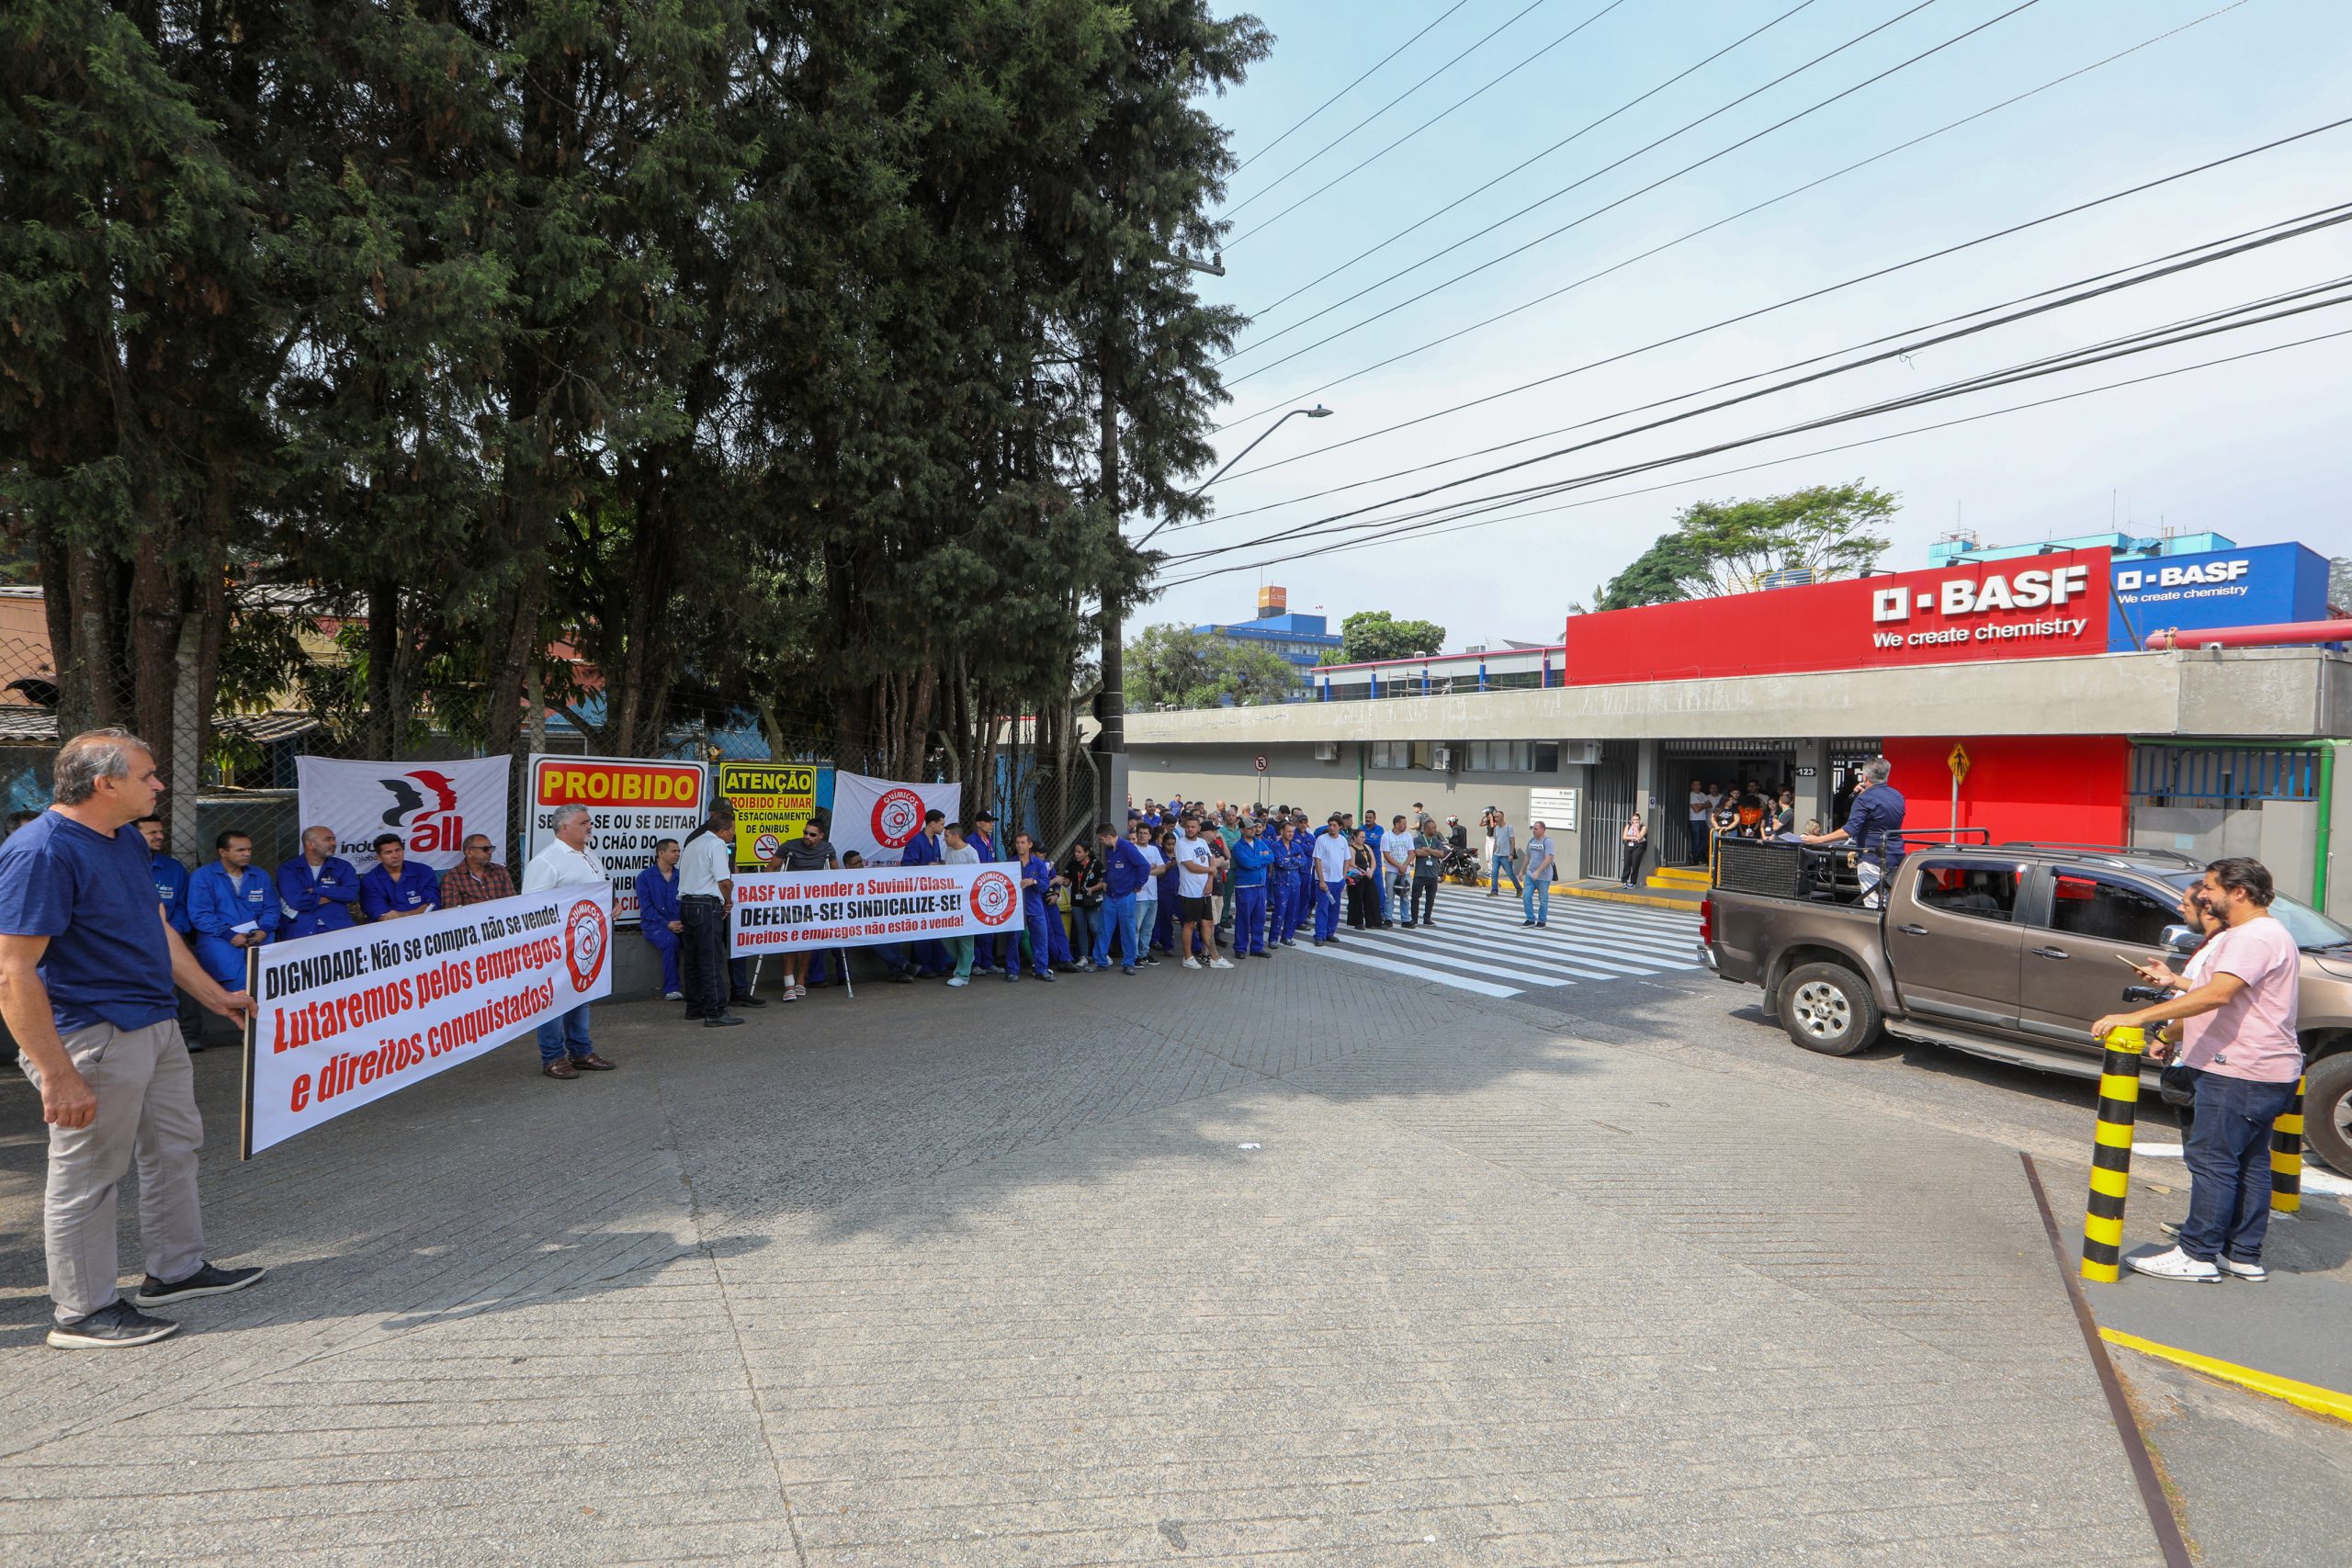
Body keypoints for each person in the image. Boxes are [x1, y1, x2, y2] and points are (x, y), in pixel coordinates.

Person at [0, 728, 262, 1348]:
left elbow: (156, 927)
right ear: (105, 782)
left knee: (175, 1147)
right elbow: (13, 972)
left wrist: (210, 993)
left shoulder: (121, 841)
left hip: (154, 1023)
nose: (160, 785)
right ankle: (83, 1310)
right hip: (94, 1033)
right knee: (89, 1170)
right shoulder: (41, 851)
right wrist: (58, 1072)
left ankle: (175, 1271)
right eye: (148, 775)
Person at [2096, 859, 2305, 1285]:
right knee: (2247, 1163)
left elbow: (2219, 994)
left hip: (2239, 1069)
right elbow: (2222, 987)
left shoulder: (2253, 936)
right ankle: (2241, 1253)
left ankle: (2197, 1253)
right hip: (2262, 1069)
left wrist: (2139, 1018)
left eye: (2210, 887)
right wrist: (2173, 981)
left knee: (2213, 1162)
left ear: (2240, 892)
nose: (2202, 896)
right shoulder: (2264, 935)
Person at [521, 805, 618, 1077]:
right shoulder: (547, 861)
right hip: (556, 944)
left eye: (589, 821)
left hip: (585, 940)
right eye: (584, 822)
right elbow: (533, 907)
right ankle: (553, 1057)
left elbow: (596, 892)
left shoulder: (589, 854)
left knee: (581, 994)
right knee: (554, 999)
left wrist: (611, 905)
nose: (590, 826)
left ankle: (581, 1051)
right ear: (564, 827)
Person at [1801, 756, 1905, 907]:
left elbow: (1849, 830)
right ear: (1886, 774)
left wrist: (1817, 840)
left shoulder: (1864, 799)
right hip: (1896, 855)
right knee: (1891, 902)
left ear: (1865, 777)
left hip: (1872, 858)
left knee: (1873, 904)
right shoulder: (1898, 796)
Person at [137, 816, 204, 1048]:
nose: (160, 836)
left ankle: (189, 1034)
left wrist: (173, 930)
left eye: (160, 831)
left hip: (171, 935)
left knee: (188, 972)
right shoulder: (120, 866)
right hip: (133, 939)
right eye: (151, 832)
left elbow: (186, 907)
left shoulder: (173, 869)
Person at [677, 805, 745, 1028]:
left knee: (693, 959)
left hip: (687, 904)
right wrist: (728, 901)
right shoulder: (717, 844)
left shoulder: (693, 843)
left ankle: (694, 1007)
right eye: (732, 829)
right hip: (706, 905)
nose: (733, 833)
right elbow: (724, 881)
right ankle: (715, 1011)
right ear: (723, 830)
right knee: (712, 959)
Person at [187, 829, 278, 992]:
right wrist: (229, 935)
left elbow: (271, 908)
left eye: (249, 849)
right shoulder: (203, 876)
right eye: (240, 850)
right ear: (223, 852)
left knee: (267, 987)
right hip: (221, 939)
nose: (247, 854)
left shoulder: (260, 875)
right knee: (238, 988)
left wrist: (264, 930)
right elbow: (200, 914)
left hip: (258, 938)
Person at [773, 818, 839, 1001]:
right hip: (791, 899)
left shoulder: (827, 848)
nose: (807, 837)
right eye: (805, 833)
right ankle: (789, 984)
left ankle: (801, 979)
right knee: (789, 940)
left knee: (805, 940)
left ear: (821, 836)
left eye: (812, 834)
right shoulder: (790, 847)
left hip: (813, 901)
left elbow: (836, 875)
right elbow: (771, 868)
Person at [276, 825, 359, 941]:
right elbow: (297, 901)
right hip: (301, 930)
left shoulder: (343, 867)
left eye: (334, 839)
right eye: (327, 839)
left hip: (337, 927)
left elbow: (351, 894)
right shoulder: (289, 869)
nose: (334, 843)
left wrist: (317, 890)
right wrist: (334, 896)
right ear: (310, 844)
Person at [1172, 813, 1230, 971]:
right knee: (1190, 924)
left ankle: (1214, 957)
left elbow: (1210, 859)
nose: (1190, 829)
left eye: (1193, 827)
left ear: (1199, 828)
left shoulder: (1202, 842)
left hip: (1205, 891)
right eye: (1188, 827)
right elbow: (1191, 866)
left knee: (1208, 924)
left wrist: (1210, 881)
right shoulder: (1181, 844)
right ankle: (1188, 957)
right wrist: (1211, 870)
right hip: (1189, 892)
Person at [1096, 822, 1151, 975]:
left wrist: (1138, 884)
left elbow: (1144, 866)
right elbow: (1110, 869)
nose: (1101, 842)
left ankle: (1128, 962)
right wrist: (1106, 879)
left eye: (1101, 839)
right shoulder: (1109, 851)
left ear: (1108, 836)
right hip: (1111, 896)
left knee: (1127, 929)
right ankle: (1100, 960)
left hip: (1126, 896)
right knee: (1104, 929)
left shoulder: (1127, 848)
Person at [635, 840, 684, 1000]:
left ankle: (698, 987)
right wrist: (667, 924)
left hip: (680, 923)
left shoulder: (682, 876)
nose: (677, 854)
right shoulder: (646, 877)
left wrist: (682, 922)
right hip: (654, 925)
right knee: (670, 942)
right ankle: (672, 989)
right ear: (661, 853)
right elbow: (646, 907)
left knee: (698, 941)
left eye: (678, 851)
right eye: (673, 851)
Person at [1009, 831, 1057, 982]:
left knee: (1041, 939)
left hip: (1035, 907)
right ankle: (1012, 971)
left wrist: (1033, 882)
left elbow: (1044, 885)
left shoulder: (1039, 864)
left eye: (1023, 843)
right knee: (1013, 940)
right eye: (1017, 843)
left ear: (1030, 845)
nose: (1019, 846)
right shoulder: (1010, 863)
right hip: (1016, 908)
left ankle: (1041, 969)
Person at [358, 833, 440, 921]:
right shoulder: (370, 880)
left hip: (426, 923)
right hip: (389, 929)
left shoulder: (423, 871)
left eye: (398, 850)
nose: (395, 856)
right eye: (388, 852)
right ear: (379, 857)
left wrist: (405, 915)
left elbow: (433, 903)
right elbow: (380, 914)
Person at [939, 822, 981, 987]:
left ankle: (963, 975)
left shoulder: (971, 853)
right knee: (946, 935)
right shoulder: (949, 851)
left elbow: (977, 878)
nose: (944, 839)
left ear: (956, 836)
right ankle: (965, 961)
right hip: (950, 901)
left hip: (967, 903)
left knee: (965, 938)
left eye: (947, 835)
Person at [1227, 817, 1273, 959]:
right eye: (1250, 828)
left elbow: (1271, 857)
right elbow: (1247, 863)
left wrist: (1256, 861)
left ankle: (1257, 947)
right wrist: (1260, 861)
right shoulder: (1238, 846)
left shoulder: (1260, 843)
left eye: (1254, 827)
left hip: (1260, 886)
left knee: (1259, 919)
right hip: (1245, 887)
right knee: (1243, 919)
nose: (1254, 829)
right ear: (1242, 830)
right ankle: (1240, 948)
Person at [437, 832, 516, 909]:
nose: (490, 852)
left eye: (491, 848)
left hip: (499, 919)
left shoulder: (500, 871)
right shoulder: (452, 877)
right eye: (485, 849)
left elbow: (511, 903)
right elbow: (451, 911)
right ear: (469, 852)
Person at [1061, 838, 1106, 971]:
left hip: (1091, 901)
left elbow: (1102, 882)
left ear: (1087, 852)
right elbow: (1067, 883)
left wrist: (1092, 889)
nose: (1076, 854)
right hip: (1076, 901)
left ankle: (1102, 953)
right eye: (1075, 852)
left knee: (1094, 926)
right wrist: (1059, 880)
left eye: (1079, 852)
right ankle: (1084, 956)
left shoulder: (1096, 864)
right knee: (1081, 929)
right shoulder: (1071, 865)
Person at [1310, 817, 1351, 946]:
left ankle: (1330, 933)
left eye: (1334, 825)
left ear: (1340, 826)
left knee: (1334, 907)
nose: (1331, 828)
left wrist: (1343, 877)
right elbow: (1317, 860)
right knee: (1323, 908)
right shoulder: (1322, 840)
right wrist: (1321, 880)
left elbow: (1347, 859)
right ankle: (1320, 935)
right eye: (1330, 825)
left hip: (1337, 880)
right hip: (1325, 881)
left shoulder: (1343, 840)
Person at [1408, 818, 1444, 927]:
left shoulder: (1437, 841)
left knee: (1430, 898)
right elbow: (1418, 853)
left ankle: (1427, 917)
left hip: (1433, 874)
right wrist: (1433, 852)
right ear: (1426, 828)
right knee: (1415, 897)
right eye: (1433, 828)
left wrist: (1428, 850)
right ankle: (1414, 918)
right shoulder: (1418, 840)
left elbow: (1441, 854)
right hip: (1420, 874)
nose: (1435, 829)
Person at [1521, 820, 1557, 928]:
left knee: (1543, 900)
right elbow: (1527, 856)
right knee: (1526, 896)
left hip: (1544, 877)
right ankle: (1530, 919)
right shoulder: (1531, 841)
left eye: (1536, 829)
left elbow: (1549, 858)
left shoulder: (1548, 842)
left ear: (1542, 829)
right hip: (1530, 875)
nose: (1533, 830)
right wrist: (1522, 870)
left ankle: (1542, 921)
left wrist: (1538, 871)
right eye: (1533, 828)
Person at [1383, 813, 1414, 927]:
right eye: (1403, 824)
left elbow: (1411, 852)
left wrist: (1404, 865)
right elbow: (1386, 854)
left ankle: (1405, 919)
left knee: (1405, 895)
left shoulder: (1408, 836)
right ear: (1397, 824)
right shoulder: (1386, 836)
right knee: (1390, 895)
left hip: (1405, 870)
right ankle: (1388, 918)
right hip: (1392, 870)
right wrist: (1398, 866)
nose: (1406, 826)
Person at [1487, 810, 1520, 899]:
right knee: (1494, 873)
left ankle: (1519, 888)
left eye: (1498, 817)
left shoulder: (1509, 827)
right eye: (1495, 817)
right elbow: (1496, 841)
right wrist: (1493, 853)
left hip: (1506, 855)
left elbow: (1512, 841)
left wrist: (1511, 854)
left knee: (1510, 873)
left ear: (1502, 817)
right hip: (1497, 855)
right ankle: (1494, 891)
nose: (1496, 819)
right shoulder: (1496, 828)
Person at [1686, 781, 1712, 865]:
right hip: (1694, 820)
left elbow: (1710, 805)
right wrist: (1703, 805)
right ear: (1692, 786)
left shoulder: (1702, 794)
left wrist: (1700, 805)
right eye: (1695, 785)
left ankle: (1694, 854)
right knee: (1696, 840)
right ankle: (1697, 858)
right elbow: (1696, 810)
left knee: (1707, 839)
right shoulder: (1691, 795)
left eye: (1699, 785)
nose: (1697, 786)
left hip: (1702, 820)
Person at [1619, 814, 1647, 886]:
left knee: (1635, 863)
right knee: (1627, 863)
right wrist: (1634, 838)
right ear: (1632, 820)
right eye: (1634, 820)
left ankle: (1633, 882)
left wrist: (1637, 829)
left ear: (1639, 820)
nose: (1635, 821)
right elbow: (1624, 837)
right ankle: (1624, 881)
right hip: (1629, 845)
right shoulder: (1628, 826)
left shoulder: (1643, 827)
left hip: (1638, 846)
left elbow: (1640, 837)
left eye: (1637, 820)